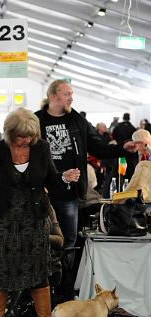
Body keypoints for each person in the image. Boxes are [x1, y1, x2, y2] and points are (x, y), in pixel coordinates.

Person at [0, 108, 58, 317]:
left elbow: (52, 178)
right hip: (2, 222)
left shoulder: (41, 148)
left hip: (34, 221)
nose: (27, 141)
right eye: (22, 137)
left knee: (38, 272)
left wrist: (65, 178)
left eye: (31, 136)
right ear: (11, 134)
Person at [35, 80, 138, 250]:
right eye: (67, 94)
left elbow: (98, 148)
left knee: (69, 239)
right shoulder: (36, 120)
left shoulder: (77, 120)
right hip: (42, 191)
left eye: (72, 94)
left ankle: (66, 275)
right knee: (41, 238)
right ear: (53, 96)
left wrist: (123, 148)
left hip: (69, 193)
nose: (71, 98)